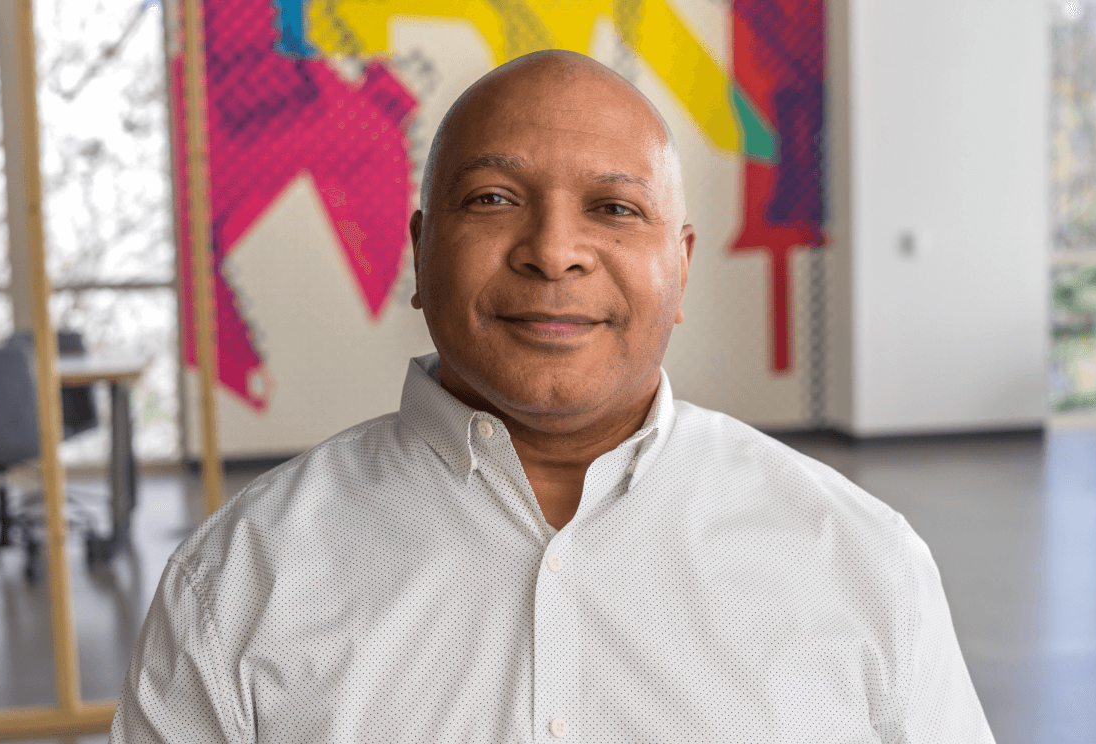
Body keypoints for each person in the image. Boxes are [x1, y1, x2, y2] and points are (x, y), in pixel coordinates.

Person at [111, 50, 995, 743]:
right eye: (494, 198)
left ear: (680, 266)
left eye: (614, 209)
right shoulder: (238, 581)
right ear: (421, 255)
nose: (553, 251)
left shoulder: (861, 560)